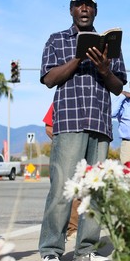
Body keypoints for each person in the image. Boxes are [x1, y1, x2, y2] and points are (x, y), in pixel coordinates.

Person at [39, 0, 127, 261]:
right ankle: (51, 247)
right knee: (63, 187)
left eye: (89, 5)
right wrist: (78, 58)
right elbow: (49, 79)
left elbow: (118, 87)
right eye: (79, 5)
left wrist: (104, 69)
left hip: (100, 124)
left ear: (95, 11)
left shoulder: (110, 45)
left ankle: (87, 247)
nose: (84, 9)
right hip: (69, 123)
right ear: (71, 10)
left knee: (95, 190)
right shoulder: (56, 40)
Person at [42, 103, 80, 240]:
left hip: (81, 154)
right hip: (62, 152)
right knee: (60, 191)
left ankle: (73, 228)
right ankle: (58, 232)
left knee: (78, 191)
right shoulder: (61, 100)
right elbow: (48, 127)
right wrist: (64, 142)